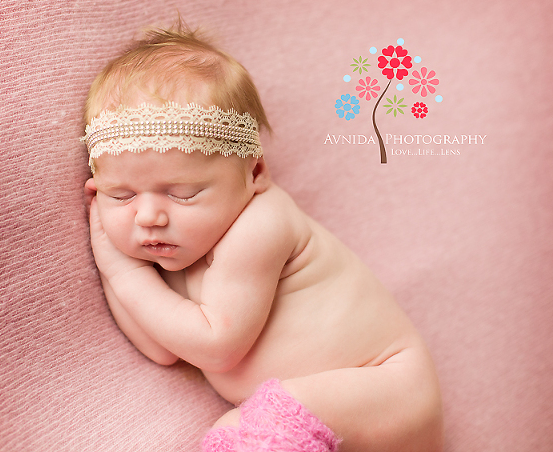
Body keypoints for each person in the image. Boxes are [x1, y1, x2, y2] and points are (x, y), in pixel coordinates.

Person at [82, 23, 443, 452]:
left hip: (387, 390)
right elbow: (163, 346)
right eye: (120, 196)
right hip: (322, 427)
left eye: (183, 193)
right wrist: (121, 263)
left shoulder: (262, 223)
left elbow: (215, 349)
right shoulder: (177, 248)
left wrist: (120, 271)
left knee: (257, 425)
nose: (149, 216)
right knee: (243, 426)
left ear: (254, 174)